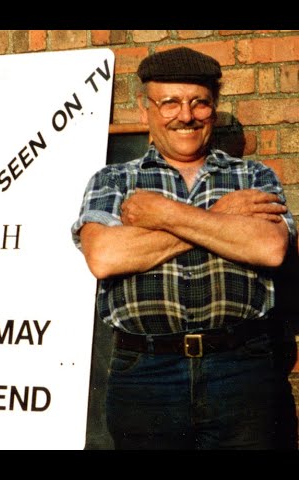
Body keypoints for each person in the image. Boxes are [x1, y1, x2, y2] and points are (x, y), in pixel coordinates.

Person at [71, 46, 298, 450]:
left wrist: (164, 214)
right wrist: (222, 217)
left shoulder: (252, 175)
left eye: (200, 103)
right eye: (170, 102)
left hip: (242, 368)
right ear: (146, 111)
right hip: (145, 374)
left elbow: (270, 247)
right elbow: (105, 257)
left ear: (214, 108)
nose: (186, 115)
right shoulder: (114, 180)